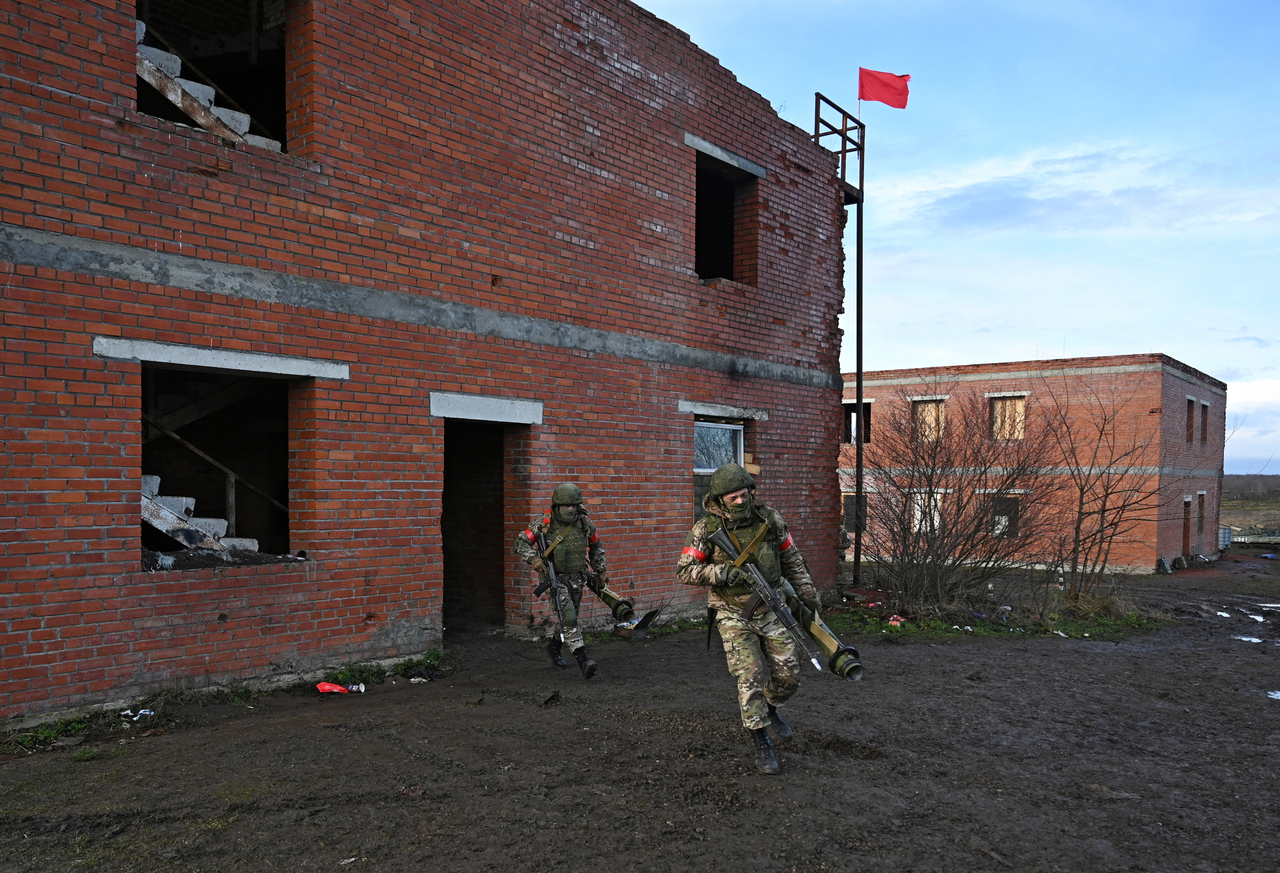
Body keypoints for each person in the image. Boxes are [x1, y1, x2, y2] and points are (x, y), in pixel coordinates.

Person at [676, 463, 823, 775]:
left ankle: (771, 708)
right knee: (750, 675)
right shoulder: (705, 529)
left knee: (789, 676)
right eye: (733, 498)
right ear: (719, 500)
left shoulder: (770, 519)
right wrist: (722, 572)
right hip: (731, 612)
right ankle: (762, 741)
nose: (741, 502)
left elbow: (791, 559)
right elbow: (684, 571)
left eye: (745, 495)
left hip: (772, 607)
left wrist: (808, 592)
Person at [515, 483, 637, 678]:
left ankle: (554, 648)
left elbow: (596, 546)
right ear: (557, 506)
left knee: (569, 618)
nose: (571, 509)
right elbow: (520, 542)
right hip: (554, 578)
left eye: (574, 505)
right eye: (566, 505)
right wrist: (534, 558)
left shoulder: (584, 523)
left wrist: (601, 570)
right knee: (569, 616)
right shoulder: (545, 523)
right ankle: (583, 659)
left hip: (577, 577)